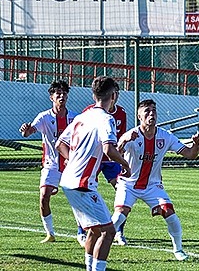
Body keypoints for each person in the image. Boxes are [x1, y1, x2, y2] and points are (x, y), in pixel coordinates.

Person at [111, 99, 199, 261]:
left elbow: (190, 155)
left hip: (152, 186)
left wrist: (196, 145)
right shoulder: (131, 135)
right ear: (139, 116)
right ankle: (98, 243)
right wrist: (124, 141)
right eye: (147, 111)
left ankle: (178, 250)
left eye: (154, 110)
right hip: (128, 184)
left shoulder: (165, 136)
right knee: (120, 216)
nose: (151, 113)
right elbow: (113, 155)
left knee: (170, 213)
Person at [56, 76, 131, 271]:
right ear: (113, 96)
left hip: (68, 180)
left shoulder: (83, 116)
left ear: (93, 95)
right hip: (82, 183)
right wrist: (125, 164)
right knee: (109, 231)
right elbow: (109, 150)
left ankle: (90, 267)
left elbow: (60, 144)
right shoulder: (107, 118)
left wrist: (72, 160)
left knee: (95, 230)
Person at [19, 80, 78, 243]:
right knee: (44, 197)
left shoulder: (75, 118)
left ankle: (83, 231)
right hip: (51, 165)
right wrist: (26, 130)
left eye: (64, 93)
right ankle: (50, 234)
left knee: (79, 199)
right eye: (58, 93)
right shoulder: (44, 117)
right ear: (51, 97)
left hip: (70, 166)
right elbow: (30, 131)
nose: (62, 96)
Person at [77, 83, 129, 246]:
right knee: (85, 192)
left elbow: (121, 138)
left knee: (123, 192)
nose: (116, 95)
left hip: (111, 160)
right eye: (113, 92)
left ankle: (118, 231)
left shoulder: (121, 113)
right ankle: (82, 231)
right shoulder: (89, 112)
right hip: (94, 159)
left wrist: (121, 153)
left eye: (117, 92)